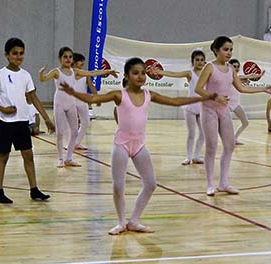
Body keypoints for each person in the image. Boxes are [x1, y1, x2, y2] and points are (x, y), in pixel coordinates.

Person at [60, 57, 219, 234]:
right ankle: (121, 222)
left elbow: (175, 102)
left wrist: (203, 98)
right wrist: (73, 93)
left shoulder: (149, 94)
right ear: (127, 76)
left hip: (139, 145)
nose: (140, 76)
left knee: (151, 184)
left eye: (143, 73)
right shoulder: (119, 94)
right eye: (136, 73)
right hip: (121, 145)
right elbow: (94, 97)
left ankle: (134, 220)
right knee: (118, 186)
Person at [194, 36, 271, 196]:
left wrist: (263, 89)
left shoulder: (230, 69)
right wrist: (215, 96)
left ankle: (223, 183)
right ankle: (210, 184)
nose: (229, 53)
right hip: (209, 110)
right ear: (216, 50)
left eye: (231, 50)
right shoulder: (209, 67)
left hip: (224, 110)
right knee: (211, 147)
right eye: (225, 49)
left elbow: (241, 88)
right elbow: (198, 89)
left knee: (229, 146)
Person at [0, 37, 56, 204]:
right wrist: (3, 109)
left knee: (28, 156)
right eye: (15, 53)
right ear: (7, 55)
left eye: (21, 53)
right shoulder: (0, 75)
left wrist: (46, 118)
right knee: (3, 156)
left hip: (22, 122)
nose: (18, 57)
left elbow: (33, 97)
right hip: (6, 123)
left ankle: (34, 189)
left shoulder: (26, 75)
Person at [39, 47, 114, 168]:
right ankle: (60, 158)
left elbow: (91, 73)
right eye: (65, 57)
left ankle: (69, 158)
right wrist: (41, 73)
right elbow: (43, 79)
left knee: (74, 131)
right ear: (60, 58)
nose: (68, 59)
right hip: (59, 103)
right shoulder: (56, 71)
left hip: (71, 103)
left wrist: (107, 71)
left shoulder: (75, 71)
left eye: (70, 57)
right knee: (60, 132)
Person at [156, 49, 207, 165]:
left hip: (203, 106)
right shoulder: (189, 73)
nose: (199, 62)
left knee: (203, 133)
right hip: (190, 106)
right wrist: (161, 72)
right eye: (197, 60)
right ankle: (188, 157)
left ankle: (196, 156)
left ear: (205, 62)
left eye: (202, 60)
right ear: (192, 61)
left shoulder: (207, 73)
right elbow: (174, 74)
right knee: (192, 133)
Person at [228, 58, 265, 145]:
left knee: (245, 122)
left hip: (236, 103)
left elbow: (242, 80)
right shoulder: (228, 77)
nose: (236, 69)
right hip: (227, 104)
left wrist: (245, 81)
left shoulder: (237, 78)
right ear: (229, 67)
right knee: (225, 124)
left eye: (237, 67)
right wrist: (256, 75)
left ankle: (234, 139)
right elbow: (245, 77)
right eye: (234, 67)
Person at [72, 53, 97, 150]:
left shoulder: (86, 74)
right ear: (74, 62)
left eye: (83, 61)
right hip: (71, 100)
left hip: (82, 101)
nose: (82, 63)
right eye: (80, 61)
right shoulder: (69, 73)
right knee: (73, 123)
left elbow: (91, 86)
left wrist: (97, 96)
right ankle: (70, 143)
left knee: (86, 122)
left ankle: (77, 142)